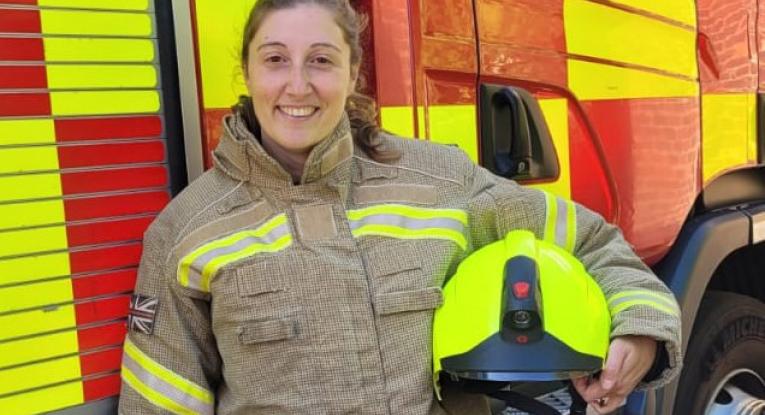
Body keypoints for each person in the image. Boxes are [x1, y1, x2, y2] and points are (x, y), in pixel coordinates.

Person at [117, 0, 681, 414]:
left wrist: (642, 328)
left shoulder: (438, 179)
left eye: (320, 60)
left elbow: (593, 241)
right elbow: (159, 401)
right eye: (275, 60)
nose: (297, 85)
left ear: (352, 73)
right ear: (247, 71)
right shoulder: (187, 229)